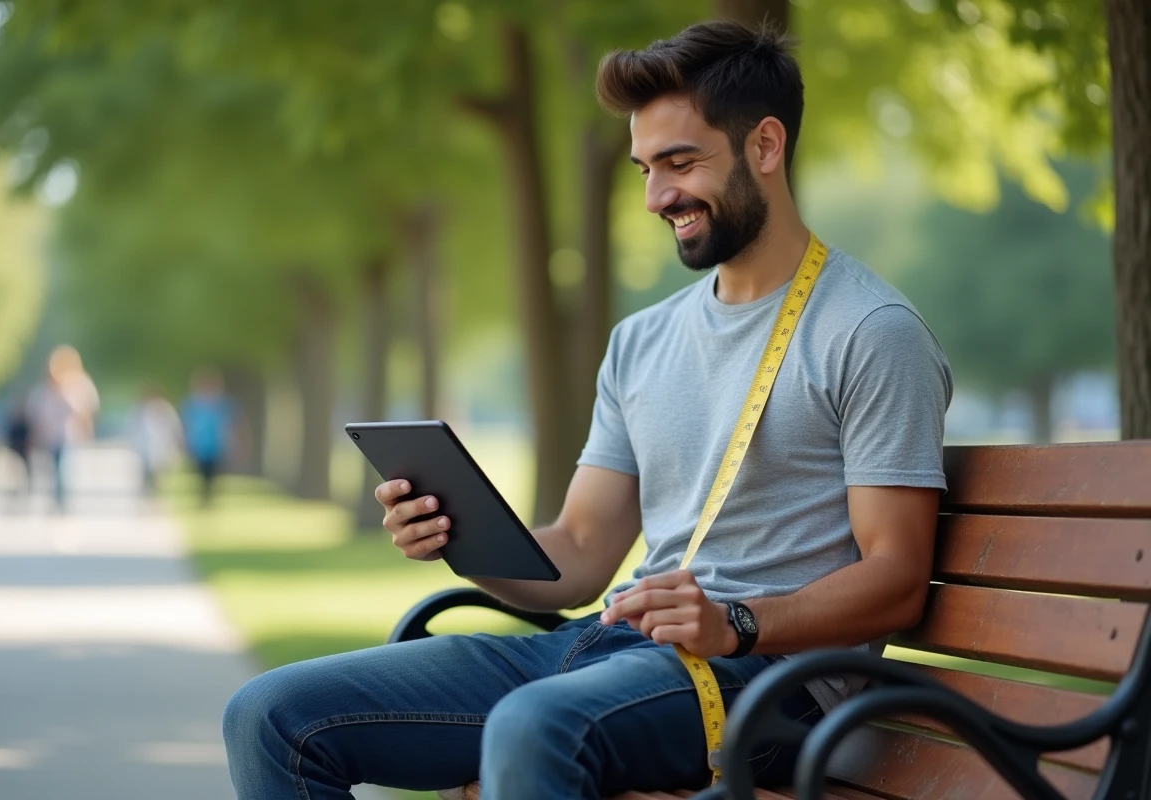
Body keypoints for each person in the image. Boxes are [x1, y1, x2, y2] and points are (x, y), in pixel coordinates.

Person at [222, 22, 954, 800]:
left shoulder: (869, 332)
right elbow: (579, 548)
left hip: (768, 687)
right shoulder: (642, 342)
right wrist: (461, 537)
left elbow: (897, 577)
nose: (654, 196)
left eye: (680, 163)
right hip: (610, 648)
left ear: (766, 147)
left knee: (536, 727)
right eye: (644, 168)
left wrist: (738, 622)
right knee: (270, 714)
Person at [27, 346, 99, 510]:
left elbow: (86, 411)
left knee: (64, 467)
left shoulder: (79, 386)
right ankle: (58, 497)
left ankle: (62, 499)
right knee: (53, 468)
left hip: (70, 436)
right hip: (50, 436)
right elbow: (37, 413)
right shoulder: (44, 390)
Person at [179, 368, 236, 507]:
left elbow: (234, 423)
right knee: (200, 472)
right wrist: (184, 442)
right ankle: (204, 496)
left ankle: (208, 497)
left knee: (213, 473)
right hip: (198, 445)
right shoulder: (191, 404)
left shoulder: (223, 404)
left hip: (217, 445)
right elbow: (185, 424)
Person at [127, 384, 183, 497]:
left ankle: (156, 492)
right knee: (145, 471)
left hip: (160, 447)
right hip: (143, 447)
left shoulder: (164, 409)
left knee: (159, 471)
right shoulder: (139, 410)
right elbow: (131, 428)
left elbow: (174, 427)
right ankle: (147, 492)